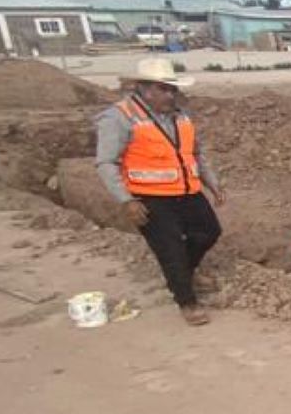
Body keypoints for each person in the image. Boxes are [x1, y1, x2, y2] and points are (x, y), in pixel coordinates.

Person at [94, 57, 223, 326]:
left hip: (186, 190)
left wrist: (212, 183)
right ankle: (187, 301)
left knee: (209, 231)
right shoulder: (119, 117)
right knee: (170, 248)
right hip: (149, 197)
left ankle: (185, 273)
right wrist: (126, 200)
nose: (170, 94)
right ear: (143, 88)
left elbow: (195, 154)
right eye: (162, 89)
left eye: (172, 89)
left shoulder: (181, 117)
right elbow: (106, 162)